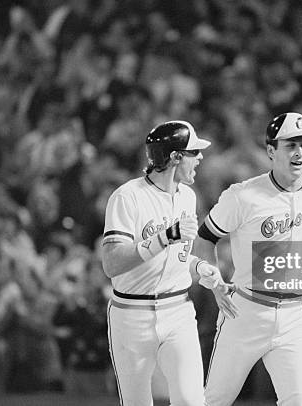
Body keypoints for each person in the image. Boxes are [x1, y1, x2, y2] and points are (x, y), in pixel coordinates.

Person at [193, 112, 302, 406]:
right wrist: (214, 280)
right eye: (290, 145)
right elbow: (204, 238)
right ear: (271, 151)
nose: (299, 152)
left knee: (298, 402)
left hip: (294, 314)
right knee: (215, 400)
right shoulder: (243, 196)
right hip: (246, 311)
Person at [102, 120, 214, 405]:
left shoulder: (188, 196)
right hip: (131, 314)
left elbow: (177, 256)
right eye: (193, 152)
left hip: (178, 311)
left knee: (191, 401)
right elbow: (112, 263)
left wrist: (199, 267)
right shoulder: (128, 197)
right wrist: (164, 237)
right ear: (175, 157)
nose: (200, 157)